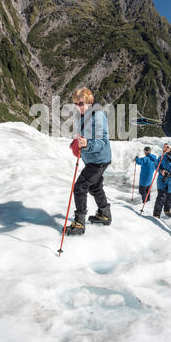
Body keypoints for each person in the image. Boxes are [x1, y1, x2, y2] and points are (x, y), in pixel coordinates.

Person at [65, 88, 112, 236]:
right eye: (75, 104)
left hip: (99, 160)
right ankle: (104, 215)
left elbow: (103, 142)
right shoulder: (83, 114)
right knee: (95, 187)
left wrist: (86, 145)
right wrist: (78, 142)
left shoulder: (97, 115)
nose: (78, 106)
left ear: (89, 101)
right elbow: (85, 136)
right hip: (93, 159)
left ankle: (79, 223)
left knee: (80, 187)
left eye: (81, 103)